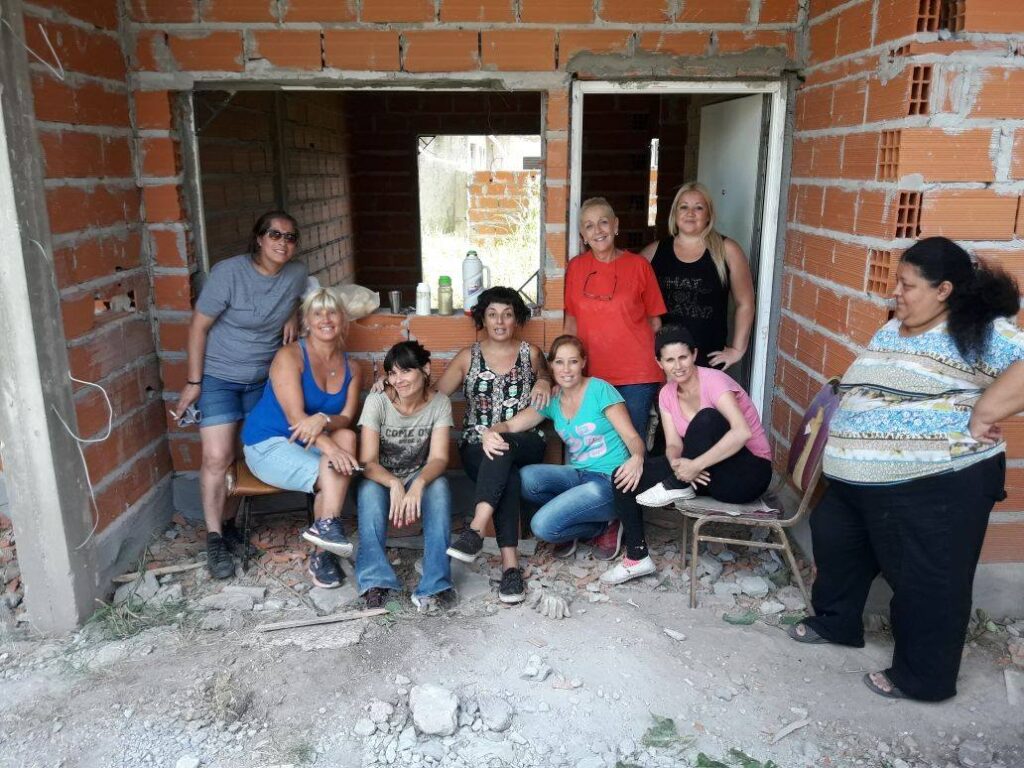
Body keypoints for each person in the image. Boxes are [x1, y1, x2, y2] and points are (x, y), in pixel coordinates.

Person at [788, 237, 1024, 703]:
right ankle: (838, 623)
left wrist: (985, 412)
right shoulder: (896, 327)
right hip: (860, 482)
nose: (896, 291)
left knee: (928, 579)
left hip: (936, 483)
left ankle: (924, 678)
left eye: (907, 284)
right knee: (834, 535)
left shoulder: (976, 329)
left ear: (944, 290)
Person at [171, 211, 307, 579]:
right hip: (218, 377)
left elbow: (309, 296)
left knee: (250, 453)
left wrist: (295, 312)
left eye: (290, 237)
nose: (282, 243)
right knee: (217, 455)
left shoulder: (296, 275)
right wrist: (194, 381)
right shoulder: (229, 273)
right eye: (274, 235)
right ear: (259, 238)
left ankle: (230, 527)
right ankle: (214, 538)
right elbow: (199, 327)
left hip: (262, 379)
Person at [482, 336, 652, 580]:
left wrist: (637, 457)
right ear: (551, 365)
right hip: (580, 474)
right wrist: (491, 432)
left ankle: (608, 522)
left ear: (583, 362)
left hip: (609, 482)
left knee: (542, 526)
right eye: (560, 362)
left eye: (573, 361)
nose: (566, 369)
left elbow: (632, 437)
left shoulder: (600, 390)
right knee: (526, 478)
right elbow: (512, 424)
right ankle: (591, 524)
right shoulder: (553, 398)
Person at [438, 287, 552, 605]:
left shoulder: (531, 352)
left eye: (507, 314)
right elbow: (434, 396)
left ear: (517, 319)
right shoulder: (467, 356)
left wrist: (544, 380)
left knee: (502, 448)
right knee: (507, 476)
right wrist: (388, 387)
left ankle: (475, 529)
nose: (500, 321)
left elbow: (546, 376)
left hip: (527, 441)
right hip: (477, 445)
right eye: (492, 314)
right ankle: (511, 569)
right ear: (483, 319)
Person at [241, 287, 361, 588]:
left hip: (311, 443)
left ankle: (324, 537)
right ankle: (325, 546)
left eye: (332, 312)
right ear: (306, 321)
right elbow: (296, 419)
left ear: (343, 320)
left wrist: (324, 419)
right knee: (331, 476)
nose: (325, 319)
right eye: (317, 313)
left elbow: (346, 417)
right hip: (268, 443)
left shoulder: (352, 368)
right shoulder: (289, 356)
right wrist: (330, 449)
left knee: (347, 434)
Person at [357, 341, 456, 612]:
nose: (398, 380)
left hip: (418, 476)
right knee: (367, 491)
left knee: (441, 488)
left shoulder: (439, 404)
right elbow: (368, 462)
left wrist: (419, 484)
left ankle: (435, 583)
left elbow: (438, 459)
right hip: (382, 477)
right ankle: (374, 580)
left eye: (405, 372)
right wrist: (393, 483)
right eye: (392, 373)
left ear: (425, 370)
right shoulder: (377, 402)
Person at [635, 325, 773, 508]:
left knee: (707, 418)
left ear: (694, 354)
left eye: (683, 357)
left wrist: (695, 465)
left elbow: (742, 432)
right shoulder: (666, 394)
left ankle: (677, 486)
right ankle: (634, 537)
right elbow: (674, 444)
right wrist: (678, 465)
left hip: (748, 476)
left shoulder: (714, 381)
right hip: (707, 476)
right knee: (625, 478)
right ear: (659, 363)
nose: (678, 366)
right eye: (669, 360)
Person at [565, 197, 666, 437]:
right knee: (597, 443)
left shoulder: (639, 265)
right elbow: (571, 321)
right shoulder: (576, 268)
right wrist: (567, 366)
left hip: (636, 374)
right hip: (591, 372)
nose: (597, 231)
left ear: (616, 226)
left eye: (603, 223)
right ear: (582, 234)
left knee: (631, 444)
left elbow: (655, 322)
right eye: (589, 226)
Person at [641, 182, 755, 371]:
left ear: (708, 214)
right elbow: (625, 283)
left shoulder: (727, 250)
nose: (690, 213)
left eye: (698, 207)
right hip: (665, 363)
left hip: (707, 363)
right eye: (683, 207)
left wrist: (737, 349)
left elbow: (745, 303)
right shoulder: (654, 252)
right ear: (675, 214)